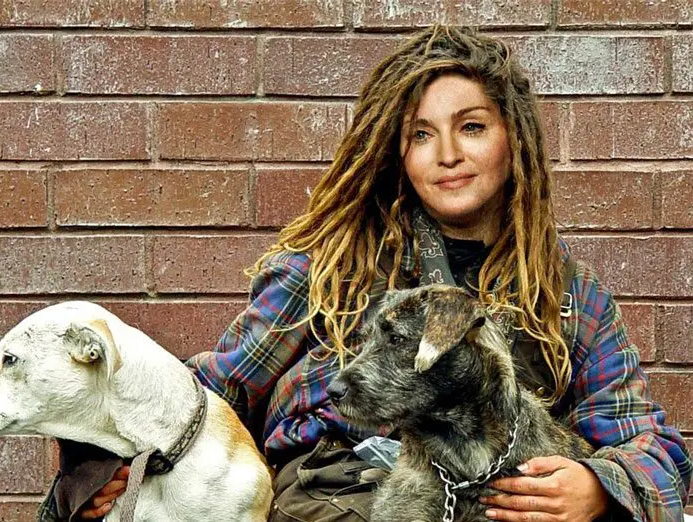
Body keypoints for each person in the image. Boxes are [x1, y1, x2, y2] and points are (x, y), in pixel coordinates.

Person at [49, 26, 691, 522]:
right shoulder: (333, 266)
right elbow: (213, 388)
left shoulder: (568, 295)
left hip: (494, 500)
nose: (448, 154)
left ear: (512, 140)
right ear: (397, 152)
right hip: (338, 491)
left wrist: (598, 488)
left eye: (471, 127)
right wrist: (100, 467)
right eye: (421, 135)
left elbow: (648, 442)